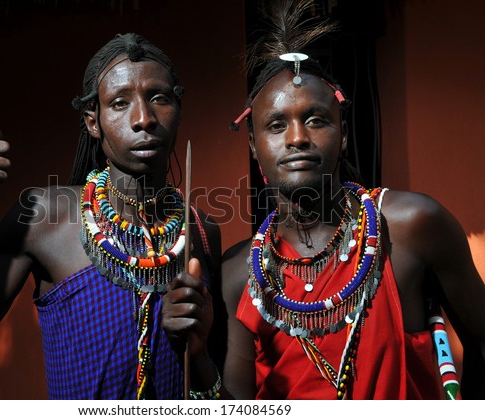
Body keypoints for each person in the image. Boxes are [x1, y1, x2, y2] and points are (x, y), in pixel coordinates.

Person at [161, 1, 485, 400]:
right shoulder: (237, 274)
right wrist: (197, 356)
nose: (297, 137)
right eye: (277, 125)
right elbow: (235, 405)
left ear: (343, 132)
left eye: (316, 119)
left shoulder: (412, 226)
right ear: (253, 144)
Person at [0, 33, 223, 400]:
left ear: (179, 109)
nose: (144, 118)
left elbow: (216, 392)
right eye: (120, 103)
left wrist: (198, 353)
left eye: (159, 98)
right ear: (94, 121)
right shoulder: (41, 218)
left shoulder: (201, 232)